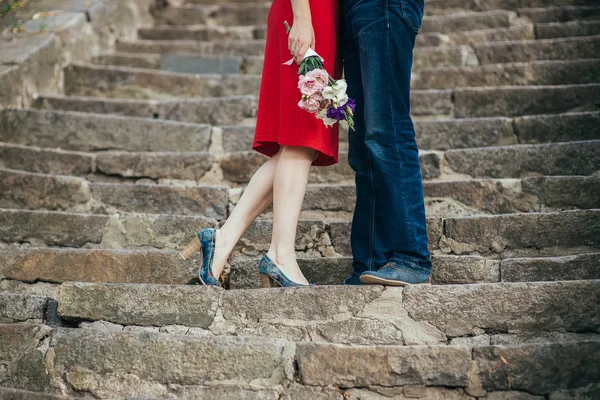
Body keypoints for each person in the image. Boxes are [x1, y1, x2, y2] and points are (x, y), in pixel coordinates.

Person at [180, 0, 342, 288]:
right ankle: (281, 255)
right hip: (309, 15)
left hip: (321, 17)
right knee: (301, 138)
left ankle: (223, 239)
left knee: (301, 141)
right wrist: (302, 18)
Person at [341, 0, 433, 286]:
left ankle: (411, 257)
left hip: (383, 5)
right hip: (352, 9)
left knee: (388, 128)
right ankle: (371, 260)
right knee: (363, 139)